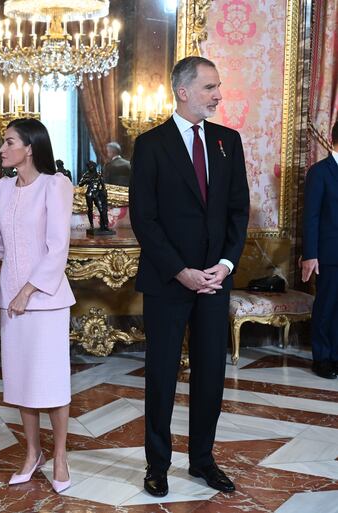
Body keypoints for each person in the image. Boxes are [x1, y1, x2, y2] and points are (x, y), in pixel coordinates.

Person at [129, 56, 249, 497]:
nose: (218, 95)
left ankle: (203, 460)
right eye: (210, 87)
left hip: (215, 282)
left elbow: (238, 211)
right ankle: (157, 465)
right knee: (161, 374)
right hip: (168, 282)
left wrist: (226, 265)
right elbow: (145, 218)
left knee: (210, 375)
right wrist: (180, 271)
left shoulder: (227, 142)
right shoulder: (151, 144)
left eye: (218, 87)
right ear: (183, 91)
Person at [0, 118, 76, 494]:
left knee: (50, 382)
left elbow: (57, 248)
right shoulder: (0, 188)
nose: (2, 149)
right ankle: (32, 452)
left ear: (30, 147)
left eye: (9, 142)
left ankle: (61, 455)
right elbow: (0, 245)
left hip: (46, 302)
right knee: (21, 381)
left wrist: (27, 291)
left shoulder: (56, 184)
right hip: (11, 301)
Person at [301, 120, 338, 379]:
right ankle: (322, 358)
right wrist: (311, 254)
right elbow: (311, 216)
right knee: (326, 306)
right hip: (329, 253)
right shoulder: (320, 171)